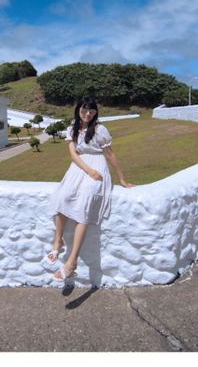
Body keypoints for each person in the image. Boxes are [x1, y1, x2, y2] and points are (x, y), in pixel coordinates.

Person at [45, 97, 134, 282]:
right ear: (78, 110)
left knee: (85, 204)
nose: (88, 114)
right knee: (63, 196)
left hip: (98, 167)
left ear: (95, 113)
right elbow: (72, 154)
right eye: (85, 110)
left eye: (92, 111)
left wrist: (122, 179)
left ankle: (72, 262)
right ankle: (58, 241)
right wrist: (88, 170)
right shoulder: (72, 129)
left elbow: (110, 154)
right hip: (80, 168)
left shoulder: (100, 129)